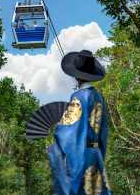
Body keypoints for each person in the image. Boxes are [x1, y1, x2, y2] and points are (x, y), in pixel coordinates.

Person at [47, 50, 112, 195]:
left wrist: (57, 132)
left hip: (80, 156)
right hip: (96, 155)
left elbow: (67, 131)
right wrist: (100, 153)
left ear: (76, 76)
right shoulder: (99, 97)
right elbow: (104, 131)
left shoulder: (78, 97)